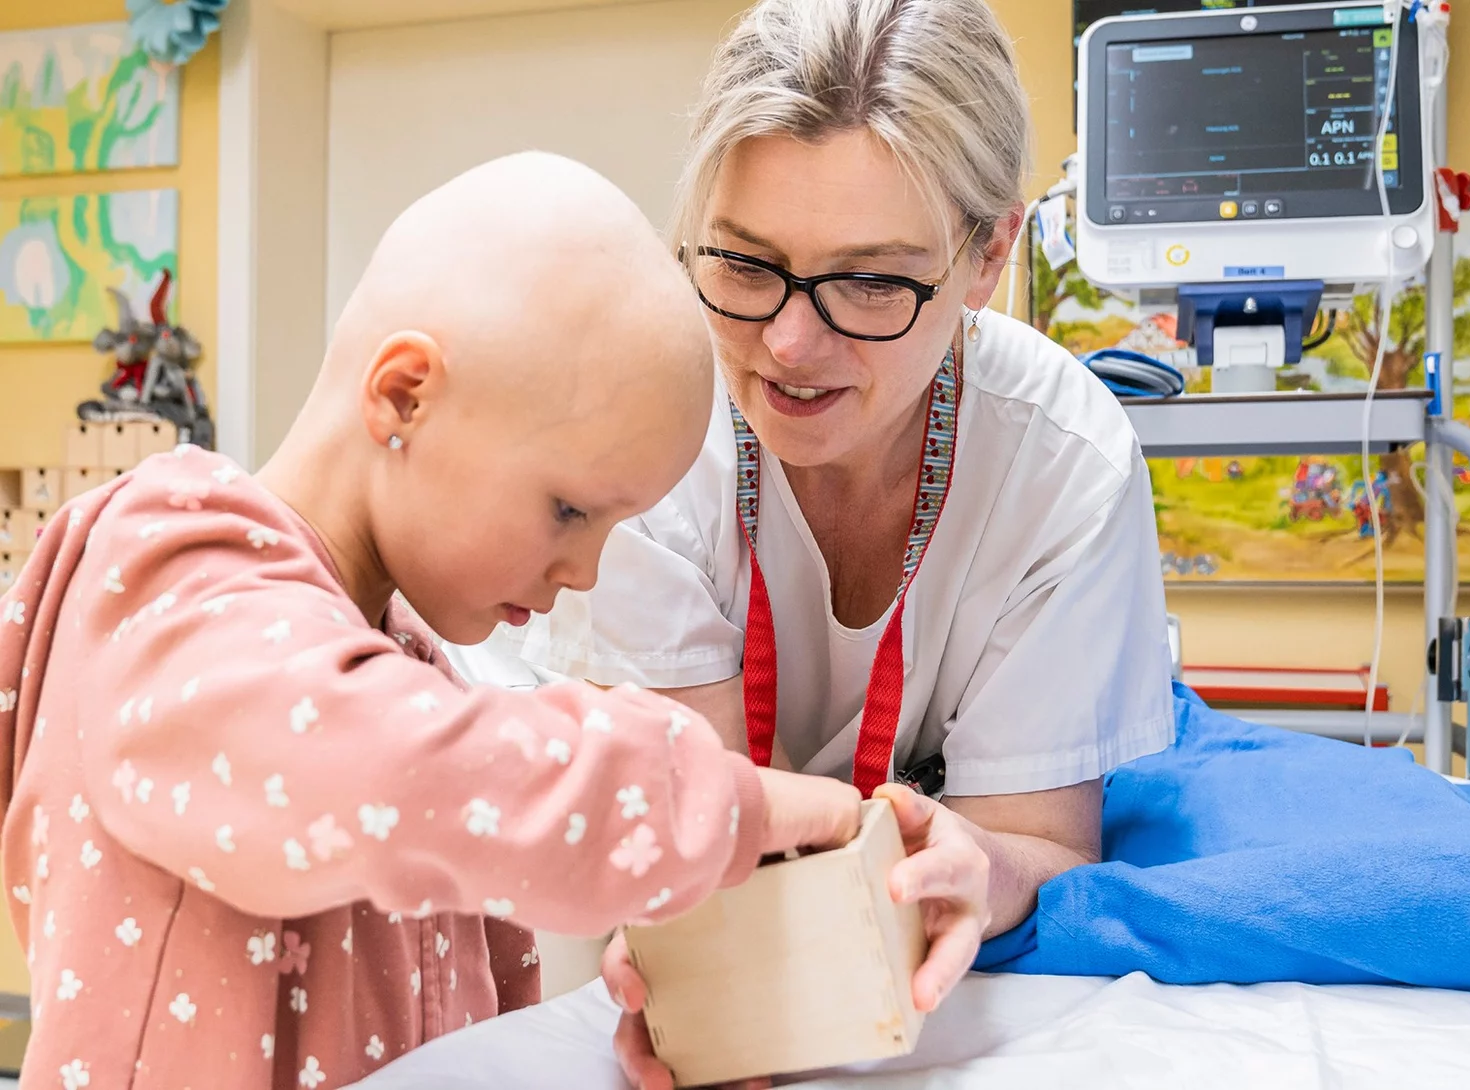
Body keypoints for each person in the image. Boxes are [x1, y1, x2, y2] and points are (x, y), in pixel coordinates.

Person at [0, 153, 867, 1089]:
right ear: (403, 396)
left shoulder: (406, 672)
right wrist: (719, 806)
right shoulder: (168, 574)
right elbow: (392, 769)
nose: (583, 573)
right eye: (570, 511)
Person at [455, 2, 1177, 1084]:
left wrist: (978, 863)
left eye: (872, 282)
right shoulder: (654, 429)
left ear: (987, 256)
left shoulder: (1065, 463)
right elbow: (705, 815)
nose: (791, 345)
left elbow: (1043, 841)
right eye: (747, 265)